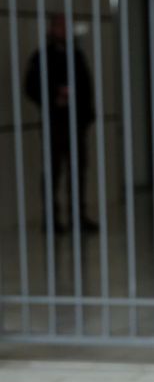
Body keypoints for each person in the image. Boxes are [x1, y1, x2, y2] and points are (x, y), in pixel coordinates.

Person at [25, 14, 98, 233]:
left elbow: (86, 87)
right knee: (53, 171)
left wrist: (85, 114)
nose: (64, 31)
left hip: (76, 123)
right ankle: (51, 218)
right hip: (54, 122)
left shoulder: (76, 56)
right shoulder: (42, 57)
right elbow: (31, 86)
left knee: (78, 171)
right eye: (60, 26)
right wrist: (54, 96)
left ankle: (77, 216)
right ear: (52, 29)